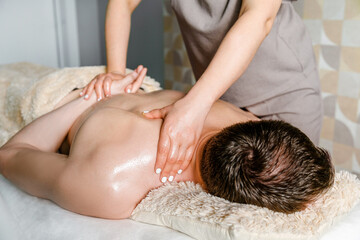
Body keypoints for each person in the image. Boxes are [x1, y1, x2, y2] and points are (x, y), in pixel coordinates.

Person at [0, 68, 334, 219]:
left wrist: (111, 92)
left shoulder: (241, 121)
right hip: (70, 95)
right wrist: (84, 99)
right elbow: (10, 155)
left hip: (121, 86)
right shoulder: (109, 184)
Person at [80, 0, 323, 184]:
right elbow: (122, 3)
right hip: (221, 97)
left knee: (286, 196)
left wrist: (195, 105)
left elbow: (259, 18)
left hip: (285, 91)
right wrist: (117, 73)